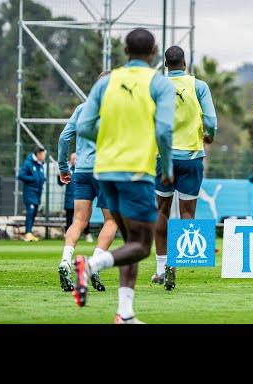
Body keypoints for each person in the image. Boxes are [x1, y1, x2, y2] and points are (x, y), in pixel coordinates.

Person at [75, 28, 175, 324]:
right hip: (135, 172)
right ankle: (90, 266)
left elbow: (83, 126)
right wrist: (167, 167)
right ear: (154, 51)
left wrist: (107, 139)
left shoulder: (107, 82)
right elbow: (165, 131)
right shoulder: (159, 83)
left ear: (125, 51)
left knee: (129, 241)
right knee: (142, 246)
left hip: (104, 171)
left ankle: (125, 313)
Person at [152, 45, 217, 291]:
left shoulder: (156, 86)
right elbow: (210, 119)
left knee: (162, 211)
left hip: (163, 156)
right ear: (185, 62)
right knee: (187, 212)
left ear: (165, 64)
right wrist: (209, 134)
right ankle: (175, 264)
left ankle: (160, 268)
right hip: (191, 156)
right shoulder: (198, 86)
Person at [57, 72, 120, 294]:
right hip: (106, 172)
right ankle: (92, 265)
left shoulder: (82, 108)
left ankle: (65, 260)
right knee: (111, 221)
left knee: (79, 220)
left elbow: (64, 137)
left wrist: (64, 167)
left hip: (82, 170)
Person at [56, 152, 93, 242]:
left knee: (84, 217)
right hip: (70, 199)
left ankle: (87, 234)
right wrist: (58, 176)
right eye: (72, 159)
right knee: (69, 218)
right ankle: (68, 235)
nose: (73, 160)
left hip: (82, 197)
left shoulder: (82, 170)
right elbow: (61, 183)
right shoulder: (67, 170)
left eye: (75, 159)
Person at [16, 146, 46, 242]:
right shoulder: (28, 163)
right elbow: (20, 175)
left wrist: (42, 179)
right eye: (43, 154)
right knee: (30, 212)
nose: (44, 156)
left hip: (38, 193)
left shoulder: (40, 164)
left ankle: (29, 233)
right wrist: (33, 179)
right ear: (38, 154)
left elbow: (40, 176)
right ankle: (28, 233)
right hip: (29, 193)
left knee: (34, 213)